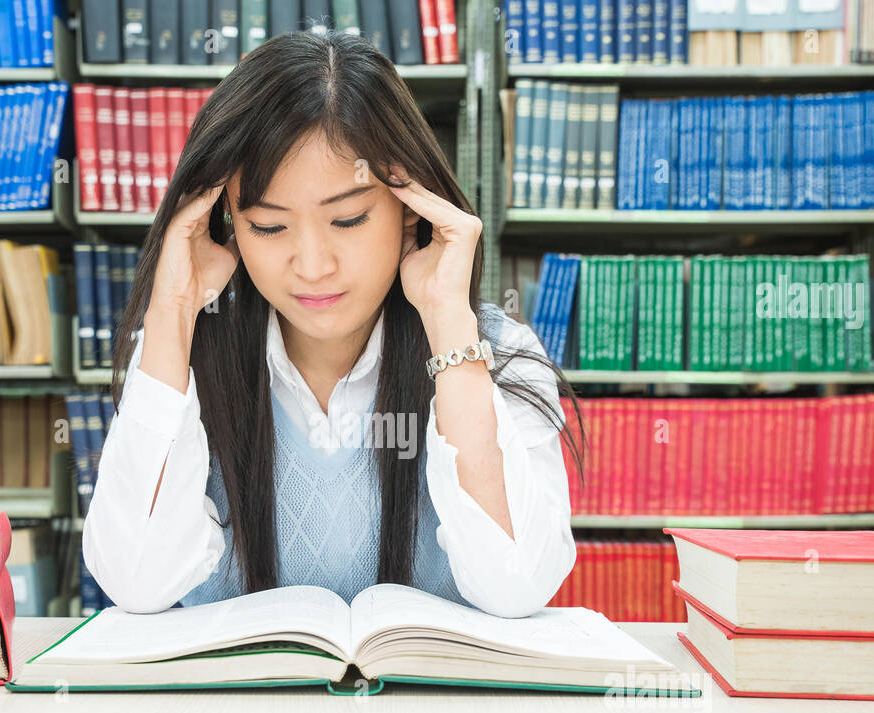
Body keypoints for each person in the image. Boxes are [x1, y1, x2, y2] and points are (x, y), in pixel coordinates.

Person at [82, 29, 584, 618]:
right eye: (270, 228)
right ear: (225, 226)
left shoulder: (496, 352)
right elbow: (137, 585)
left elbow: (520, 587)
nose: (313, 267)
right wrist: (169, 313)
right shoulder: (180, 351)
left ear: (410, 209)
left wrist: (450, 323)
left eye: (347, 219)